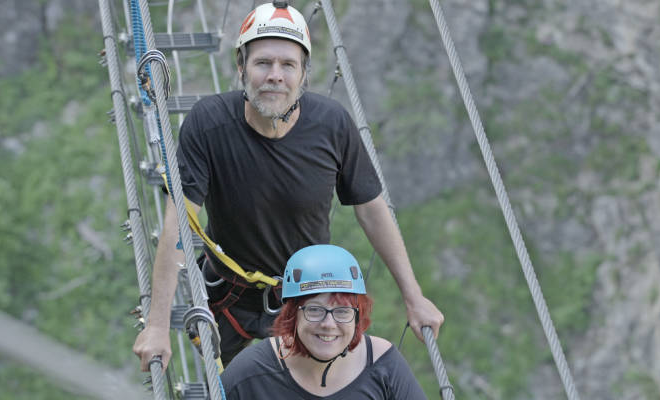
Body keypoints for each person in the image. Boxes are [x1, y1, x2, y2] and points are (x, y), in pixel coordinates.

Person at [133, 1, 443, 371]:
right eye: (263, 63)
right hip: (228, 294)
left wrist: (414, 296)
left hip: (306, 301)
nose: (274, 76)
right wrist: (156, 325)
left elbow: (372, 210)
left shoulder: (333, 126)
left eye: (288, 65)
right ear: (241, 68)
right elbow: (179, 225)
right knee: (224, 387)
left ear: (304, 75)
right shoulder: (208, 124)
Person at [222, 244, 428, 399]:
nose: (329, 323)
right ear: (293, 315)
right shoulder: (251, 372)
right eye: (314, 310)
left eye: (342, 311)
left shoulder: (383, 366)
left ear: (357, 316)